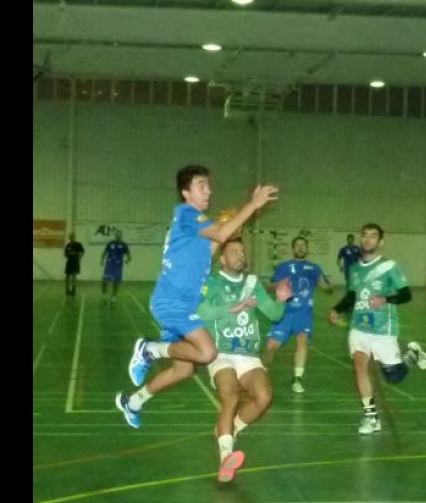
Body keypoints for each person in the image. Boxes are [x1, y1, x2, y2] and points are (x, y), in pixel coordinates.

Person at [115, 164, 279, 429]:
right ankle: (150, 350)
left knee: (183, 369)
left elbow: (218, 240)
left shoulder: (196, 232)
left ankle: (133, 402)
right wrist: (253, 204)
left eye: (208, 185)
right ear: (186, 192)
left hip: (182, 304)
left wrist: (234, 220)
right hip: (172, 302)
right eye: (202, 185)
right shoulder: (187, 213)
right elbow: (222, 234)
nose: (209, 190)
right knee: (206, 352)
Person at [197, 238, 294, 482]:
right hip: (221, 353)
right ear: (222, 258)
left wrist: (282, 300)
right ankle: (226, 457)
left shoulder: (252, 283)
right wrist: (233, 307)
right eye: (234, 252)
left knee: (264, 397)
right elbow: (200, 312)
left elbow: (273, 315)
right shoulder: (211, 282)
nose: (240, 256)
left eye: (242, 251)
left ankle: (231, 428)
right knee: (231, 395)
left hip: (248, 355)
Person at [328, 223, 426, 435]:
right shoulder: (354, 268)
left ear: (380, 242)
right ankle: (371, 417)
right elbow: (352, 296)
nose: (367, 240)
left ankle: (412, 355)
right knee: (359, 367)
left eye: (373, 236)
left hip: (383, 327)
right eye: (364, 236)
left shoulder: (389, 266)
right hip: (359, 327)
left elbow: (406, 294)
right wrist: (337, 309)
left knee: (394, 376)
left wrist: (385, 298)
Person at [263, 235, 334, 393]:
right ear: (293, 248)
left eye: (303, 245)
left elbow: (326, 288)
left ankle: (297, 379)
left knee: (302, 342)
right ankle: (261, 377)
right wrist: (278, 285)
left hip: (304, 313)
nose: (301, 248)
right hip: (284, 312)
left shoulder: (314, 268)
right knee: (270, 347)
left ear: (307, 249)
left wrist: (328, 286)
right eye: (298, 245)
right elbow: (269, 286)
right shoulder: (283, 266)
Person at [100, 230, 132, 305]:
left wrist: (128, 260)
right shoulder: (110, 243)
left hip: (117, 266)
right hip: (109, 265)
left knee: (116, 282)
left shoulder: (124, 245)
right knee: (105, 281)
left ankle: (114, 298)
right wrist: (101, 260)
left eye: (120, 234)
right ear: (115, 235)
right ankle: (104, 296)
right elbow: (104, 253)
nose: (118, 235)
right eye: (117, 234)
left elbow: (129, 256)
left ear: (122, 235)